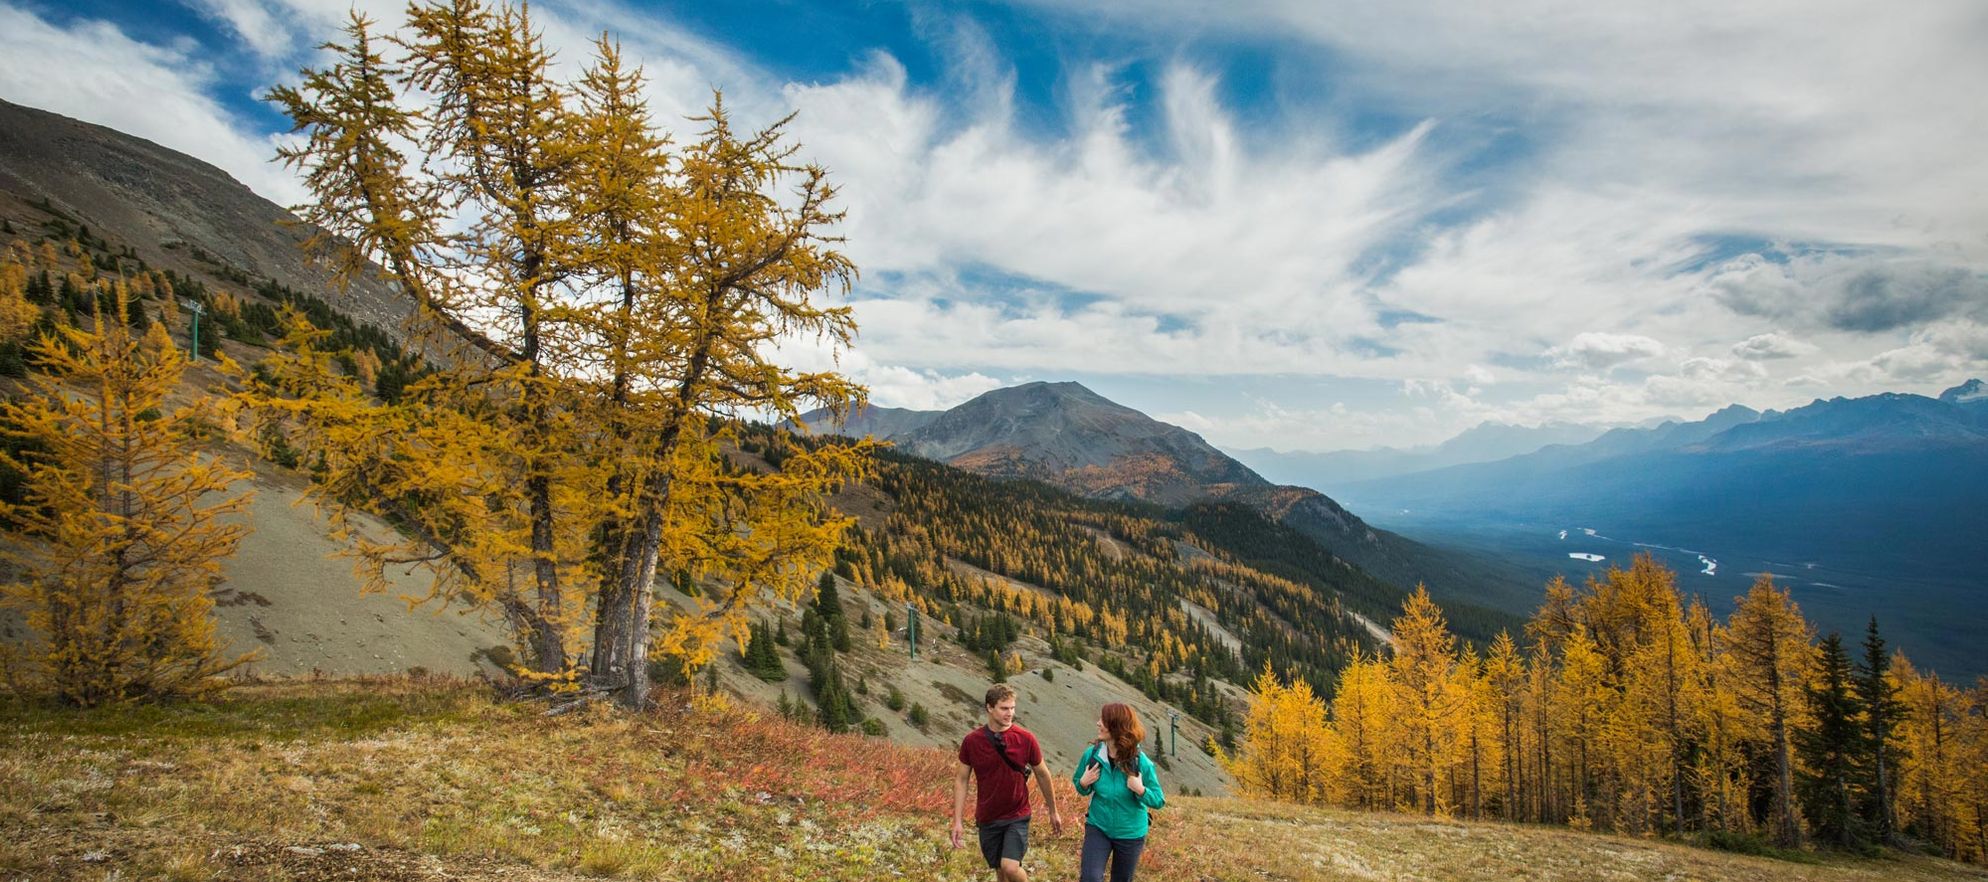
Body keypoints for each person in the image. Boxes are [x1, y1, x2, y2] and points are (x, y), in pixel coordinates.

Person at [952, 683, 1065, 882]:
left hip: (1017, 815)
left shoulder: (1026, 739)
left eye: (1013, 708)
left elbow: (1043, 774)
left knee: (1010, 867)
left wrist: (1053, 810)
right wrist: (958, 821)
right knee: (1000, 872)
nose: (1010, 713)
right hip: (988, 817)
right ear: (989, 707)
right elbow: (961, 780)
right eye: (1004, 708)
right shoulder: (972, 741)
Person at [1072, 702, 1165, 882]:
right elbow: (1079, 785)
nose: (1098, 723)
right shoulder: (1091, 755)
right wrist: (1083, 783)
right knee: (1090, 878)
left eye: (1103, 720)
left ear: (1116, 726)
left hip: (1131, 833)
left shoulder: (1141, 762)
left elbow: (1159, 800)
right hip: (1098, 827)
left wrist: (1141, 790)